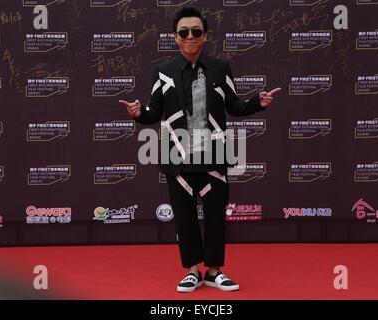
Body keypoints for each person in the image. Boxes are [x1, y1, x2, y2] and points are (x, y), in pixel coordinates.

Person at [119, 6, 281, 293]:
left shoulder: (220, 68)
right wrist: (137, 113)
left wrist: (257, 103)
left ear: (205, 35)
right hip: (176, 156)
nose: (190, 36)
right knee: (184, 215)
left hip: (213, 155)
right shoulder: (164, 72)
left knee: (216, 213)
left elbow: (234, 105)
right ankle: (192, 270)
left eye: (196, 31)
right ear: (175, 37)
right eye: (184, 32)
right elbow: (153, 113)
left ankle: (214, 271)